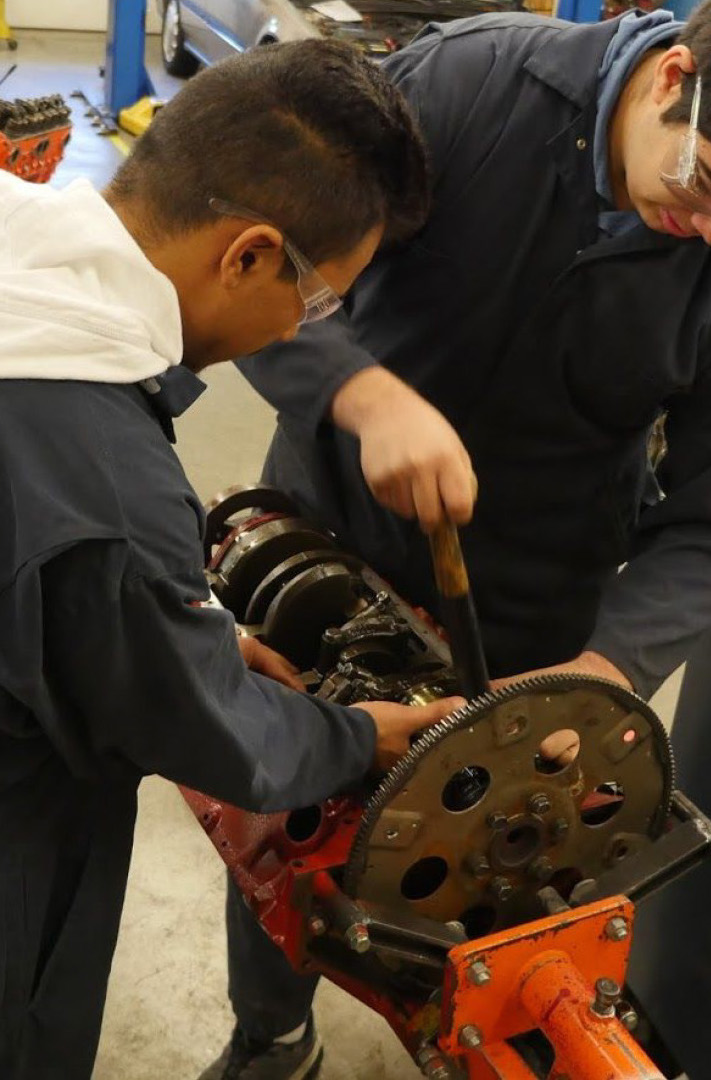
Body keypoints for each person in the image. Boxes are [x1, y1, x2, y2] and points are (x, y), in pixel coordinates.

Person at [197, 1, 711, 1075]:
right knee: (284, 826)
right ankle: (274, 1036)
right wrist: (362, 393)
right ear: (675, 77)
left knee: (489, 870)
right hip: (330, 547)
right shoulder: (468, 88)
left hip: (534, 613)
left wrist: (605, 668)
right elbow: (257, 252)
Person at [0, 39, 461, 1080]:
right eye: (321, 300)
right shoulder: (106, 482)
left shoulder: (23, 251)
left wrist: (188, 627)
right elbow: (209, 731)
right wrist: (360, 736)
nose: (307, 324)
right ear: (249, 253)